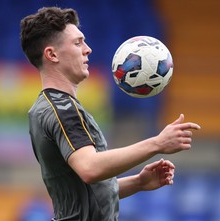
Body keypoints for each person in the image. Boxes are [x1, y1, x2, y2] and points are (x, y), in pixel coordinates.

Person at [20, 7, 201, 221]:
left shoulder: (45, 107)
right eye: (77, 43)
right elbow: (90, 168)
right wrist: (157, 144)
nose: (87, 49)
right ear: (51, 54)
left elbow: (82, 191)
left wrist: (139, 182)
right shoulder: (63, 110)